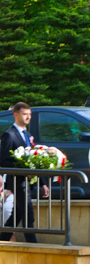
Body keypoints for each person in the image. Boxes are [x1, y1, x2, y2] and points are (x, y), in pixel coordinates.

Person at [0, 102, 49, 243]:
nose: (28, 117)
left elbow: (33, 159)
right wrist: (22, 170)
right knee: (28, 215)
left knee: (17, 215)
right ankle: (34, 246)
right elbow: (3, 160)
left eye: (29, 114)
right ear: (16, 114)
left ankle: (2, 240)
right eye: (24, 114)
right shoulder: (9, 135)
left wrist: (43, 183)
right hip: (17, 181)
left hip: (27, 181)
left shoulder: (27, 134)